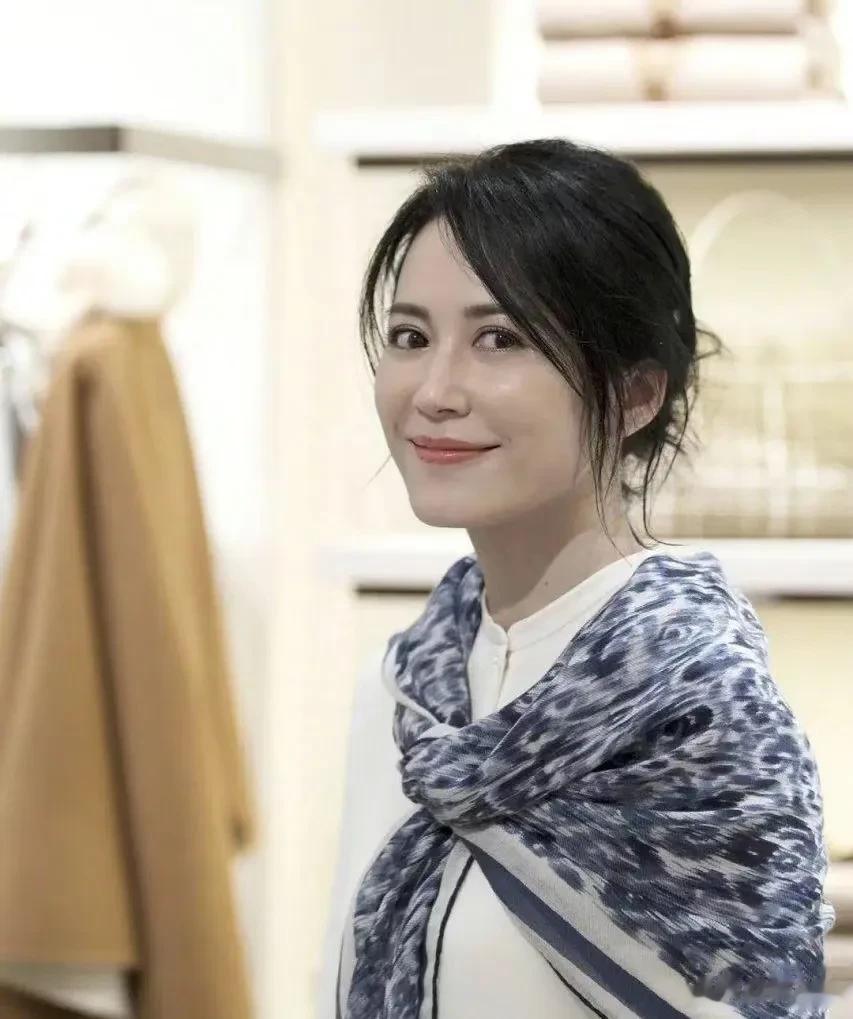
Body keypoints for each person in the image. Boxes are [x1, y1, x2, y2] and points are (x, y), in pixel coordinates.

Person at [320, 138, 834, 1019]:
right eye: (410, 336)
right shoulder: (406, 694)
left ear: (635, 394)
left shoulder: (699, 713)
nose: (434, 389)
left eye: (499, 338)